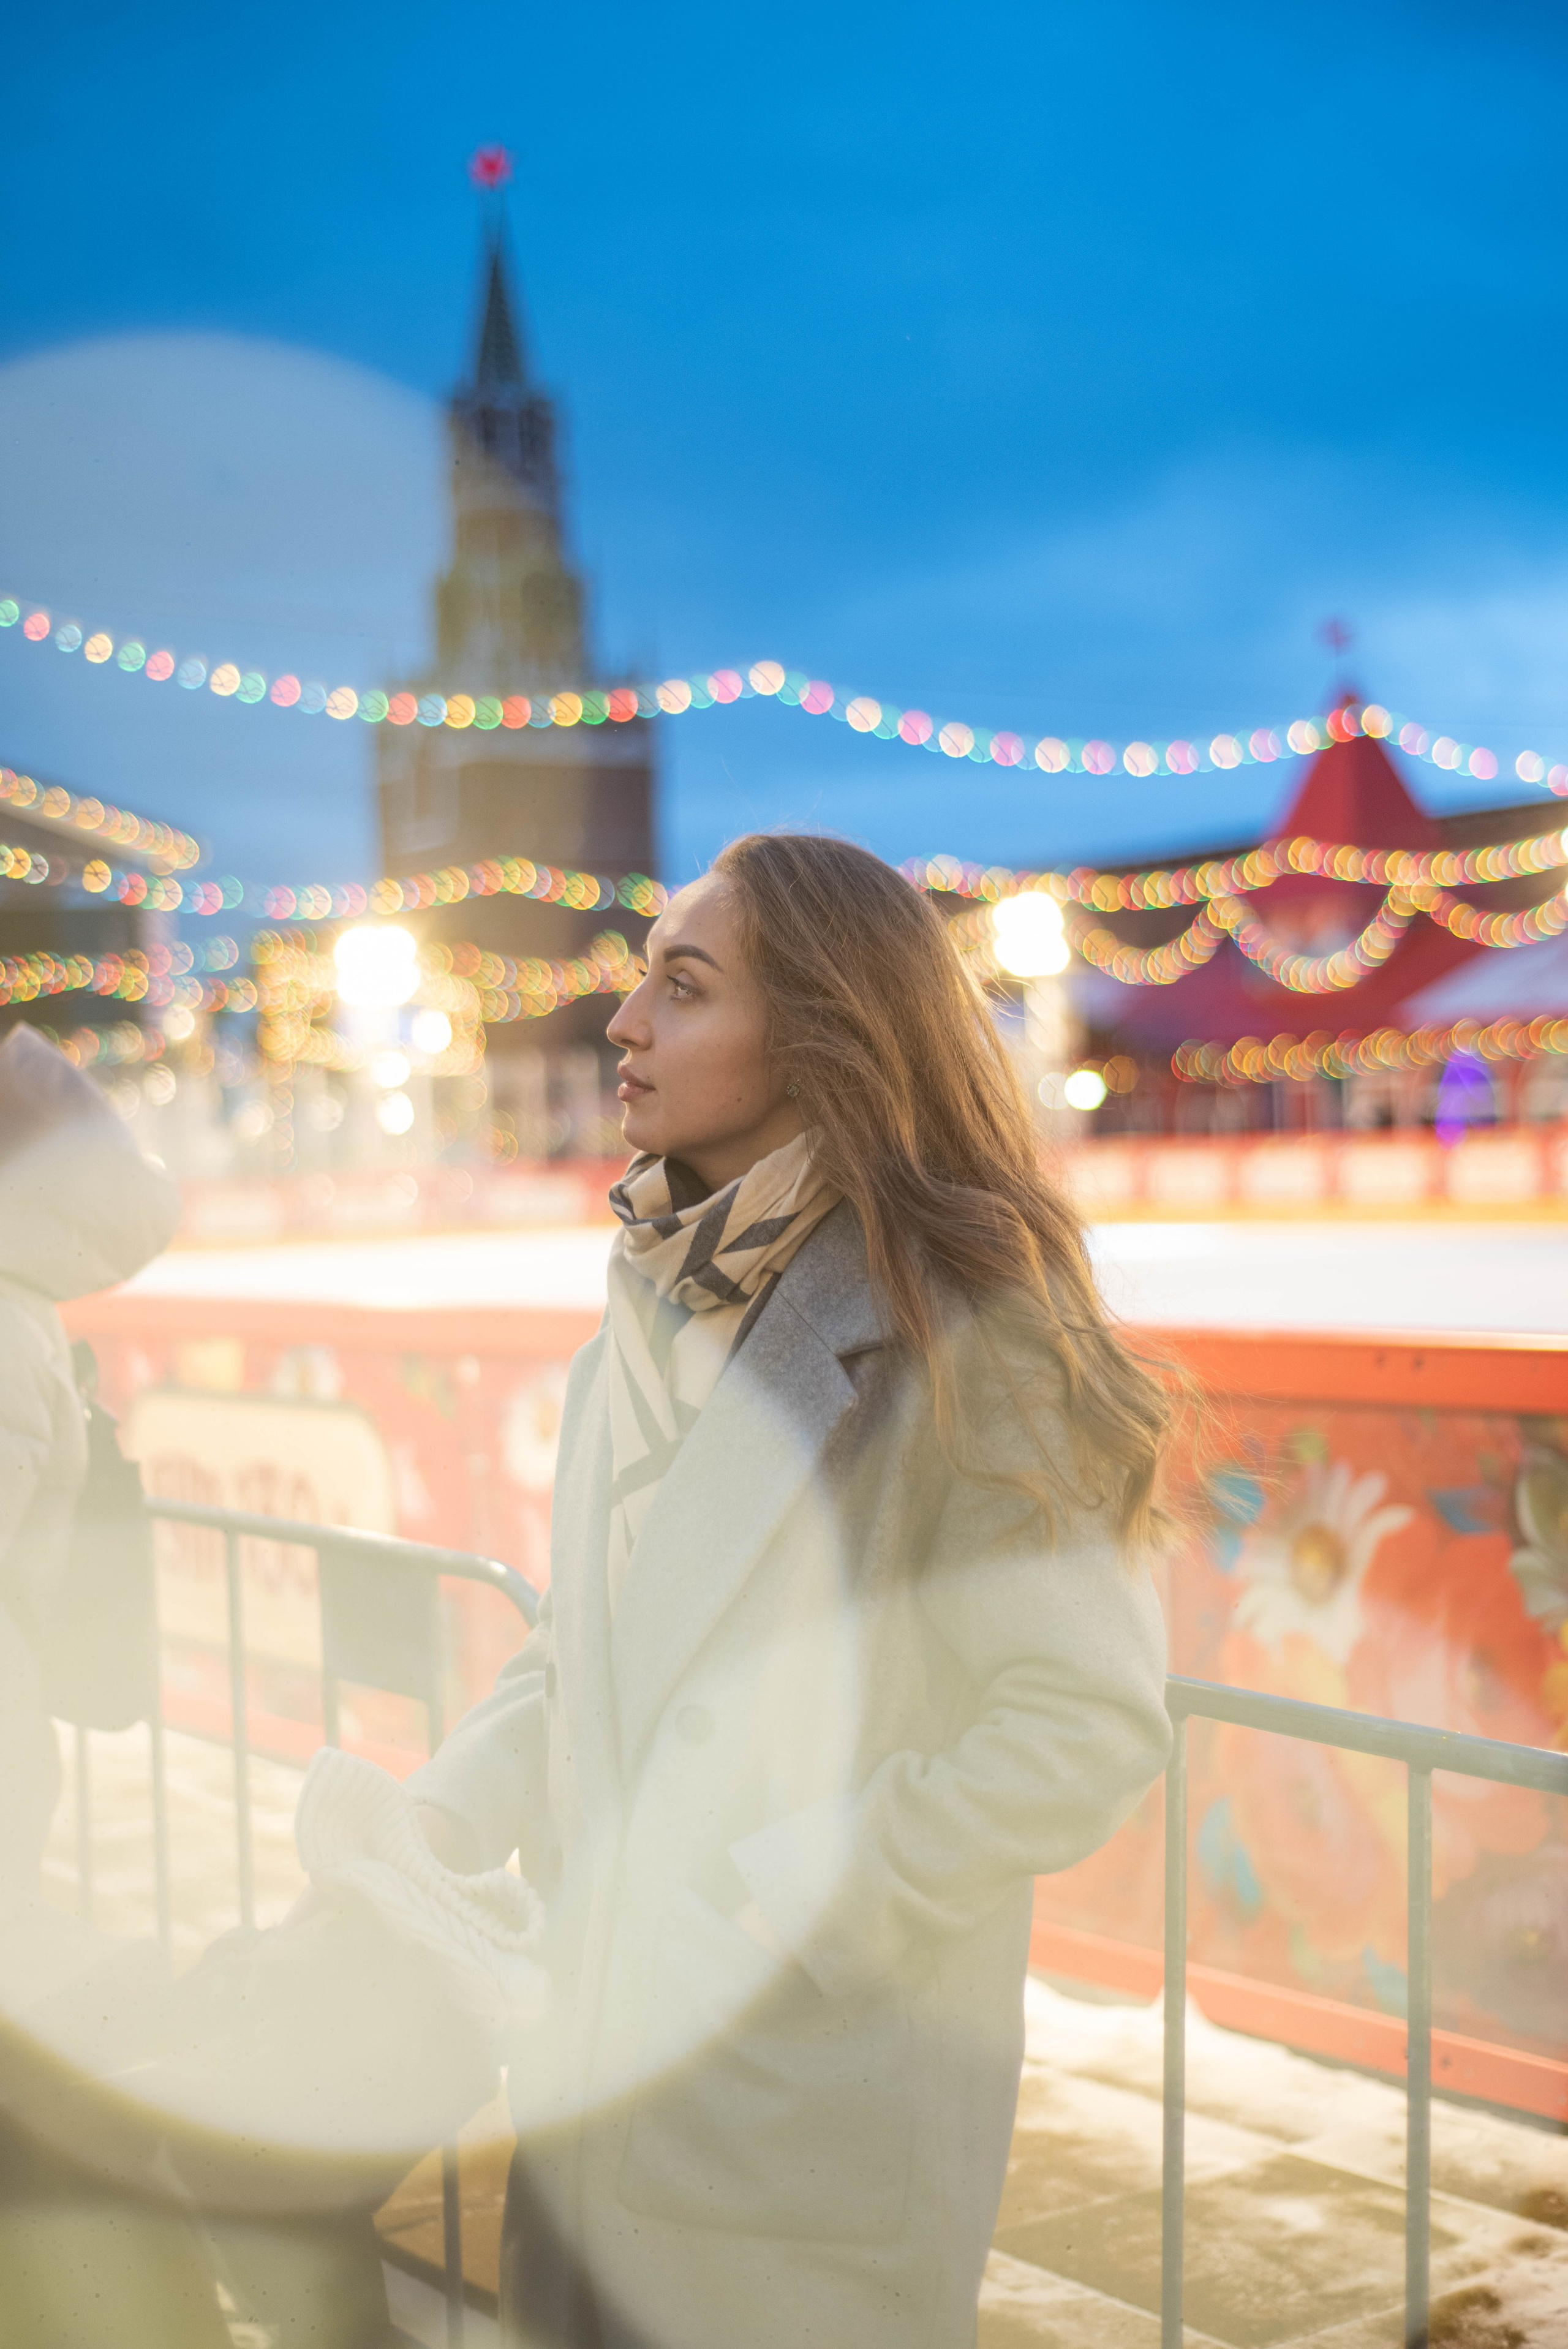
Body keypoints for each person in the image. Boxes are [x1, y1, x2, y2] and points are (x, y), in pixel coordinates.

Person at [407, 834, 1174, 2349]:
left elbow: (1084, 1723)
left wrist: (774, 1901)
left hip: (791, 2132)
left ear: (820, 1032)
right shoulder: (637, 1325)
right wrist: (443, 1810)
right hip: (590, 2085)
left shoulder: (968, 1338)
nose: (621, 1025)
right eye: (637, 981)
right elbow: (592, 1654)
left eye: (679, 989)